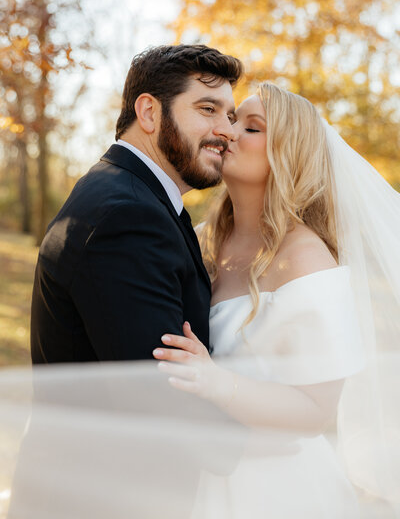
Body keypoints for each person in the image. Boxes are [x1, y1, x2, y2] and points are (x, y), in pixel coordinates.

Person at [153, 82, 400, 517]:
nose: (227, 133)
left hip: (276, 493)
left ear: (287, 154)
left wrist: (217, 383)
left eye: (252, 127)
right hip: (195, 476)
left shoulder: (308, 261)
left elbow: (315, 411)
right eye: (231, 121)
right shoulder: (201, 241)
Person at [31, 43, 242, 363]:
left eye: (230, 116)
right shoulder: (128, 216)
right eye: (208, 109)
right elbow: (156, 395)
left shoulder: (120, 190)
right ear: (149, 112)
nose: (227, 130)